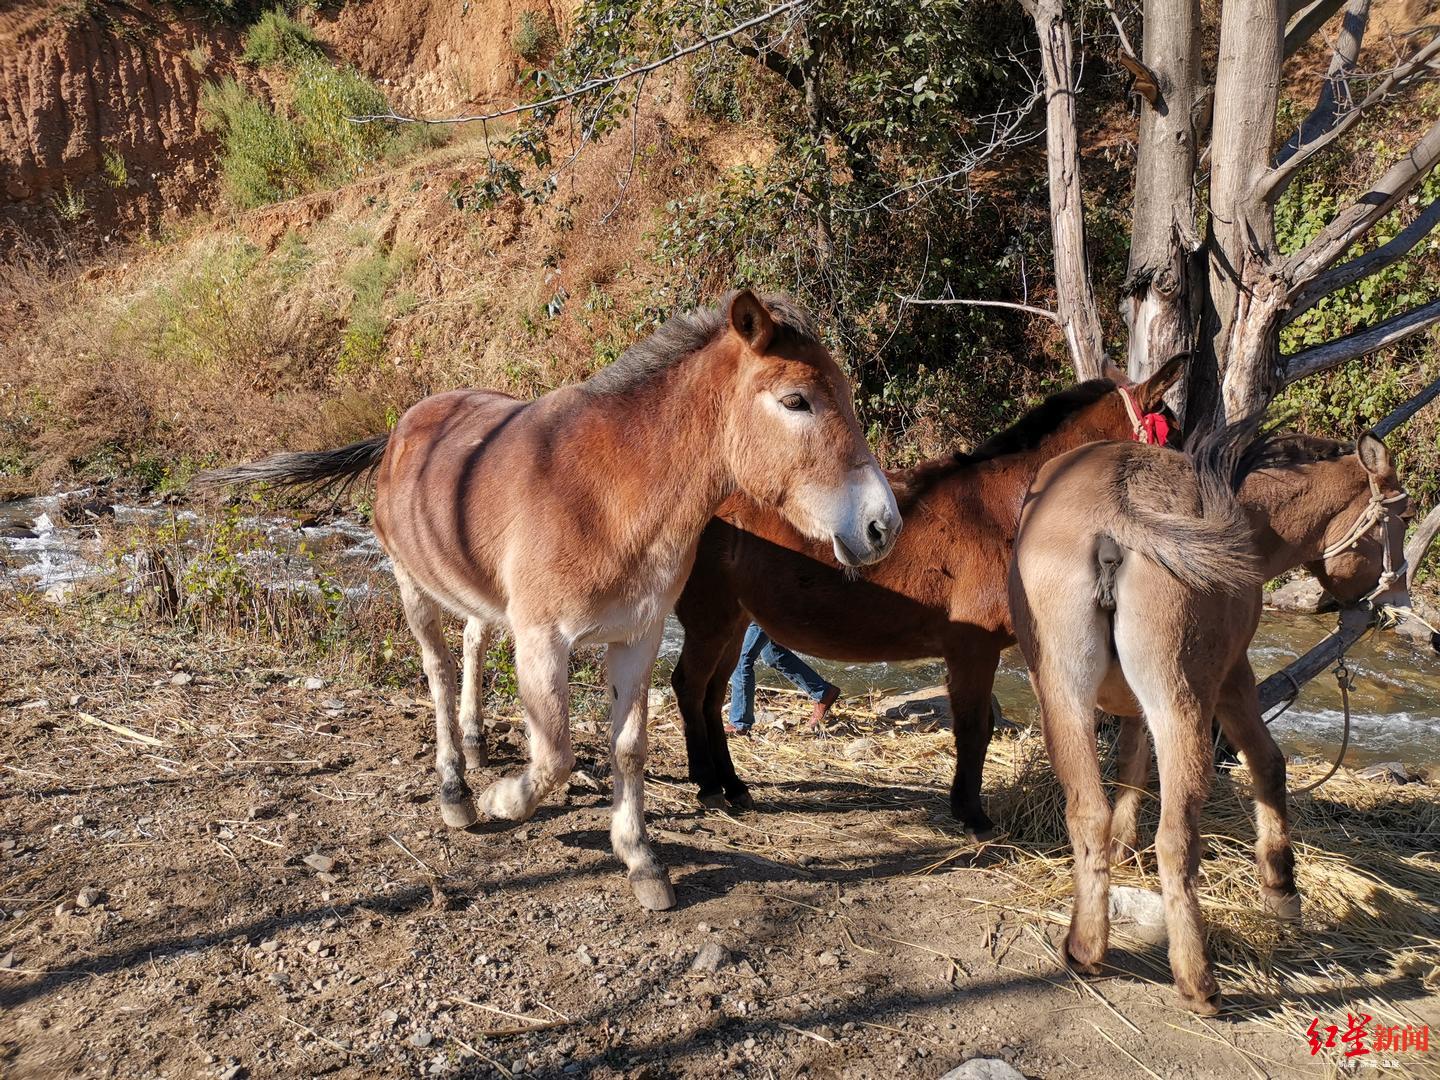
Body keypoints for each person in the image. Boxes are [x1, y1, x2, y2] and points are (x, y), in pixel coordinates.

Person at [726, 623, 840, 735]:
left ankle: (739, 723)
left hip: (761, 610)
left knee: (740, 662)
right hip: (760, 611)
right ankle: (823, 692)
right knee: (772, 655)